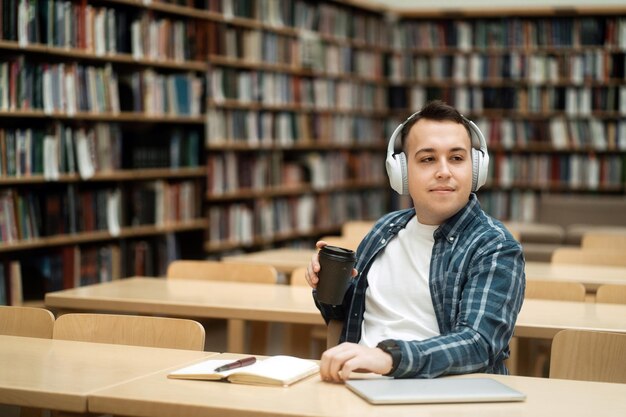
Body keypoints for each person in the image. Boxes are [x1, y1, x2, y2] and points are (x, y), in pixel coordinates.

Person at [305, 100, 525, 382]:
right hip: (356, 384)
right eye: (428, 159)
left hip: (443, 396)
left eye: (457, 158)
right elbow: (345, 317)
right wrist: (327, 285)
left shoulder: (494, 246)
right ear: (401, 172)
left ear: (476, 168)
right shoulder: (385, 229)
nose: (444, 171)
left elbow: (478, 344)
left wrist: (388, 358)